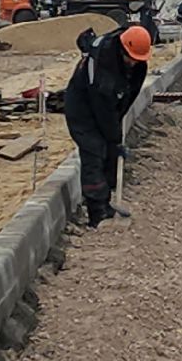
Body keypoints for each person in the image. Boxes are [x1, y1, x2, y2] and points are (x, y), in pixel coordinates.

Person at [63, 24, 150, 227]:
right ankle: (97, 211)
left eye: (137, 60)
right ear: (122, 49)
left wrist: (116, 129)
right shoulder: (104, 65)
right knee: (94, 151)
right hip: (82, 107)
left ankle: (107, 201)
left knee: (111, 152)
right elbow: (103, 109)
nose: (133, 63)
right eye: (130, 59)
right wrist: (114, 136)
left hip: (107, 104)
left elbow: (128, 97)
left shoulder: (136, 63)